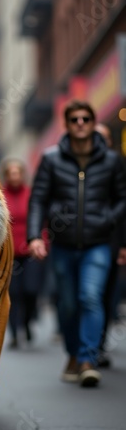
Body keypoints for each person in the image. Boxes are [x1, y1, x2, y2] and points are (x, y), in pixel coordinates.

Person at [27, 100, 126, 387]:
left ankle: (87, 359)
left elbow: (122, 198)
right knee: (68, 304)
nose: (80, 124)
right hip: (63, 245)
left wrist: (110, 218)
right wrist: (35, 236)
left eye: (86, 119)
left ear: (93, 123)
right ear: (67, 125)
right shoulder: (51, 159)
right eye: (75, 120)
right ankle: (72, 353)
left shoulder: (111, 160)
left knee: (90, 297)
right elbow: (39, 200)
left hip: (98, 243)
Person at [2, 159, 45, 348]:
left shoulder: (31, 195)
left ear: (22, 174)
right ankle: (13, 333)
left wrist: (42, 243)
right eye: (11, 173)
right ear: (6, 176)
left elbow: (41, 221)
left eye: (17, 173)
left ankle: (27, 323)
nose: (15, 176)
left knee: (31, 290)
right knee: (12, 294)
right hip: (8, 253)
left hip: (30, 251)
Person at [94, 123, 126, 367]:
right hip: (81, 242)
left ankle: (98, 345)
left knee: (106, 295)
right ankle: (84, 345)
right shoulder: (77, 163)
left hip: (111, 241)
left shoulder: (117, 165)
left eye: (103, 138)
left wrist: (123, 245)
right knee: (86, 295)